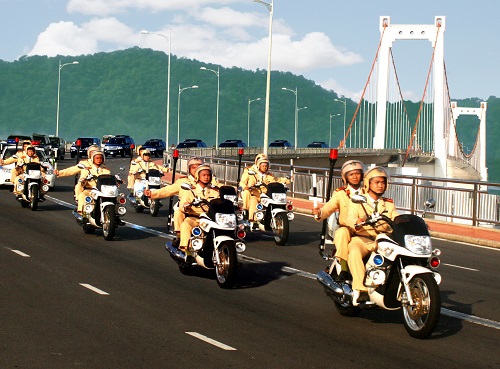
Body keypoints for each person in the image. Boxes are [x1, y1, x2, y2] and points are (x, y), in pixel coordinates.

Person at [345, 166, 399, 305]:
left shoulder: (388, 204)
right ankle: (360, 290)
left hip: (383, 240)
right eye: (377, 182)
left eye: (383, 182)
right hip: (362, 239)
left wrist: (410, 222)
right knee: (354, 252)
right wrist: (357, 221)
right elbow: (350, 217)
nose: (381, 185)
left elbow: (396, 219)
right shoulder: (357, 201)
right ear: (368, 183)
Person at [312, 160, 365, 281]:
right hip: (348, 228)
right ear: (345, 177)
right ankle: (345, 269)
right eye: (351, 174)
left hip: (366, 230)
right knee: (341, 233)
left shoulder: (368, 192)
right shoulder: (340, 193)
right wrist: (320, 212)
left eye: (357, 173)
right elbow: (330, 206)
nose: (355, 177)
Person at [178, 164, 220, 252]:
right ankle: (186, 252)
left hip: (211, 219)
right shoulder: (191, 191)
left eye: (208, 175)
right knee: (186, 224)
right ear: (197, 176)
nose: (206, 177)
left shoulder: (215, 191)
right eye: (204, 175)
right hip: (195, 218)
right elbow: (182, 204)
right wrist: (186, 206)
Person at [238, 154, 290, 223]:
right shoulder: (250, 172)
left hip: (266, 194)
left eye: (266, 166)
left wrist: (287, 180)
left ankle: (271, 218)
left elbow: (277, 180)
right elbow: (242, 182)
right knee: (253, 200)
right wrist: (245, 187)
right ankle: (252, 220)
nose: (265, 167)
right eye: (263, 166)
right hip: (254, 194)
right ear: (258, 165)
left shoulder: (269, 175)